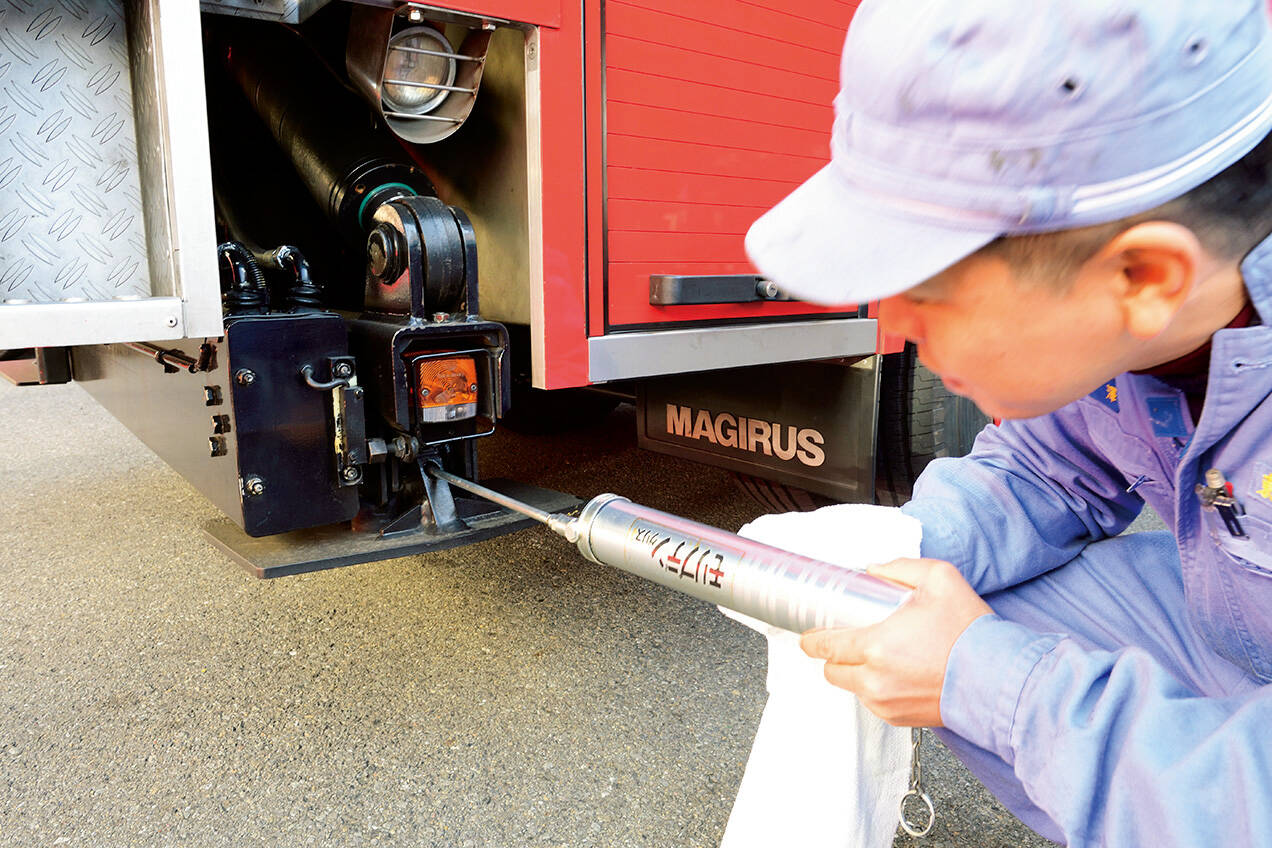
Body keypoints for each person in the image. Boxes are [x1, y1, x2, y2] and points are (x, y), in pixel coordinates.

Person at [743, 1, 1272, 845]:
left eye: (931, 294)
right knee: (905, 613)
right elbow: (1042, 473)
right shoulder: (1140, 328)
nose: (896, 329)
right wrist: (887, 550)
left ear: (1144, 275)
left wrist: (999, 687)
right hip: (1233, 629)